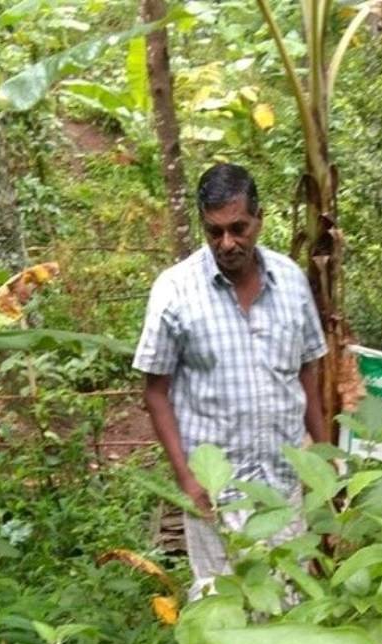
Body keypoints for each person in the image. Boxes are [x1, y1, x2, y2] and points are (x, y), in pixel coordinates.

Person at [133, 163, 328, 599]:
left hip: (283, 480)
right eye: (214, 231)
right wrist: (186, 478)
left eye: (238, 228)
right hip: (216, 490)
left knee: (286, 600)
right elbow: (155, 391)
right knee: (221, 605)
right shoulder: (174, 291)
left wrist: (325, 456)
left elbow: (307, 371)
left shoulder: (292, 283)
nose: (227, 243)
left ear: (259, 219)